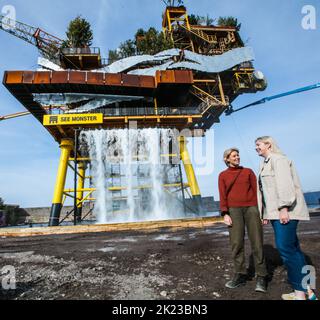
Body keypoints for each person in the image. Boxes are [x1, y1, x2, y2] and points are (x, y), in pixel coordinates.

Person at [255, 136, 317, 300]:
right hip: (275, 212)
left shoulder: (278, 159)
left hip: (284, 211)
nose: (256, 148)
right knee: (294, 250)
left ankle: (299, 294)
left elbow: (284, 185)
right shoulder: (265, 163)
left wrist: (283, 208)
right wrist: (265, 214)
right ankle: (308, 291)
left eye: (258, 145)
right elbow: (266, 192)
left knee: (286, 250)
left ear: (268, 144)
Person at [218, 147, 268, 293]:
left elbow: (258, 192)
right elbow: (222, 196)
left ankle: (262, 276)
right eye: (234, 156)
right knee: (236, 243)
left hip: (252, 209)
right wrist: (225, 213)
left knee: (257, 243)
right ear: (227, 159)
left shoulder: (248, 172)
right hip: (233, 211)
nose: (237, 157)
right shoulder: (222, 175)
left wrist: (262, 212)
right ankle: (240, 274)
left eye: (238, 155)